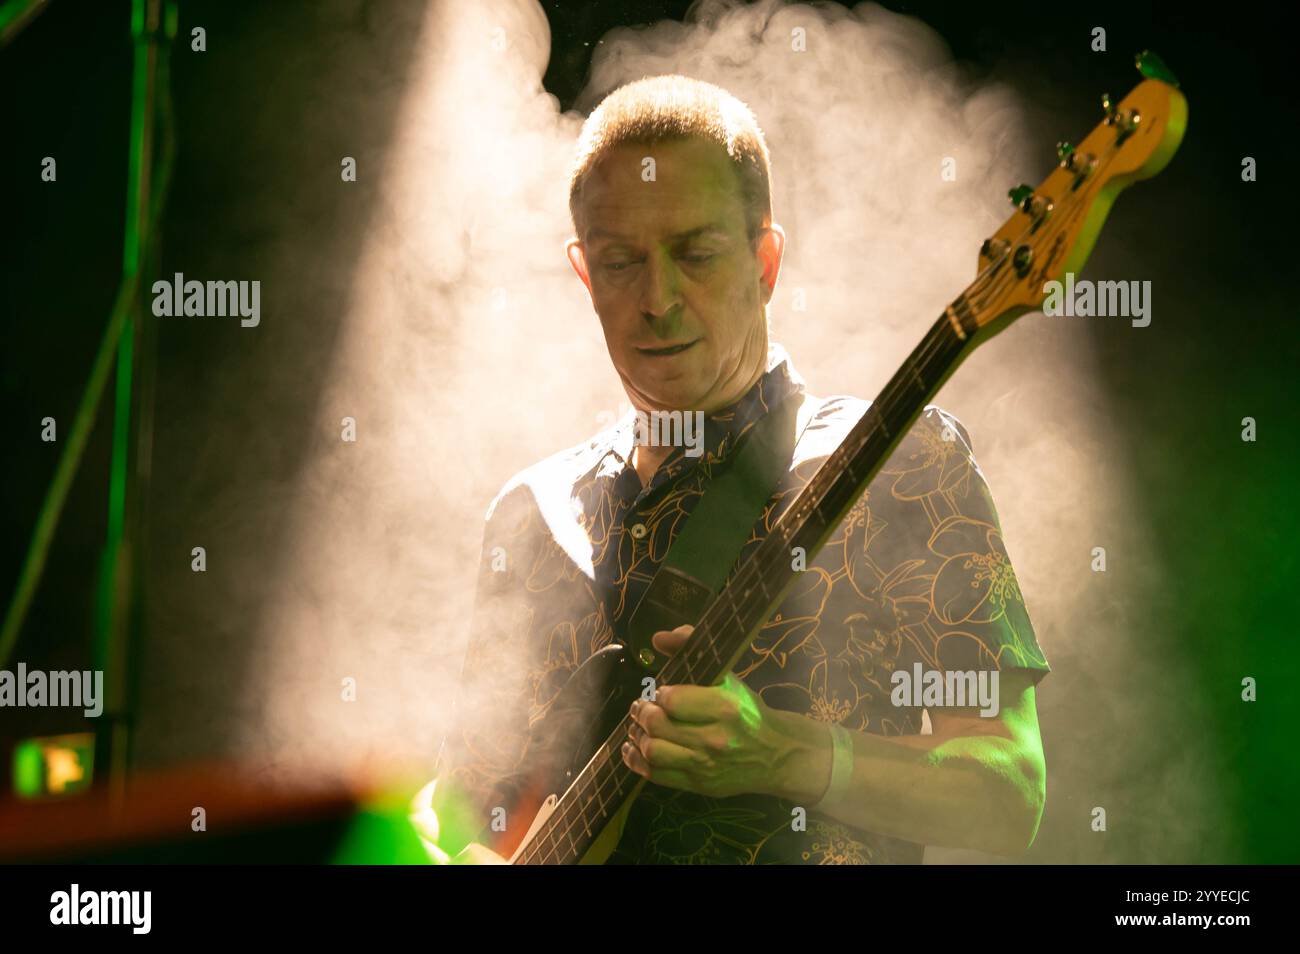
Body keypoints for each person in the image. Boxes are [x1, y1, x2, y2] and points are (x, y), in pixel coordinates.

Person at [414, 74, 1050, 865]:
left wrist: (782, 754)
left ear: (766, 259)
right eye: (620, 263)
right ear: (583, 274)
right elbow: (456, 807)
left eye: (696, 253)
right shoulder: (530, 513)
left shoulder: (900, 461)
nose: (658, 298)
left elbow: (1007, 792)